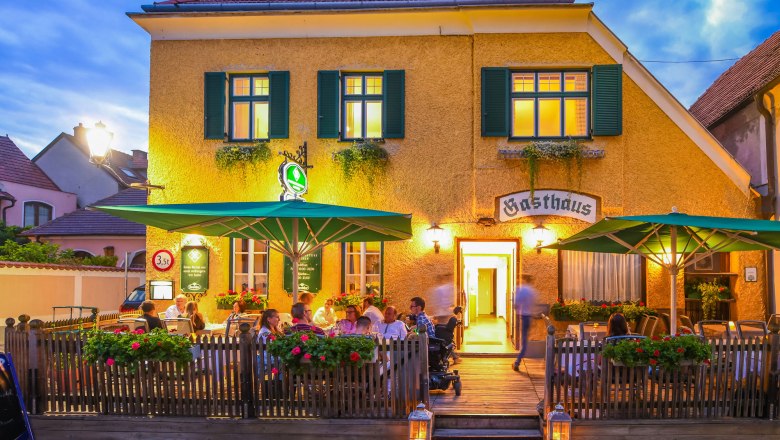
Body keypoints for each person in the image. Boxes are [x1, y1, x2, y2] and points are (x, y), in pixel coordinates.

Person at [513, 274, 539, 372]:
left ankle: (517, 362)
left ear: (524, 280)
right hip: (529, 317)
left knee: (524, 341)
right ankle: (518, 360)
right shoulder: (532, 291)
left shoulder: (521, 290)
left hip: (523, 317)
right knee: (525, 340)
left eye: (521, 279)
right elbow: (534, 305)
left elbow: (516, 304)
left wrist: (518, 310)